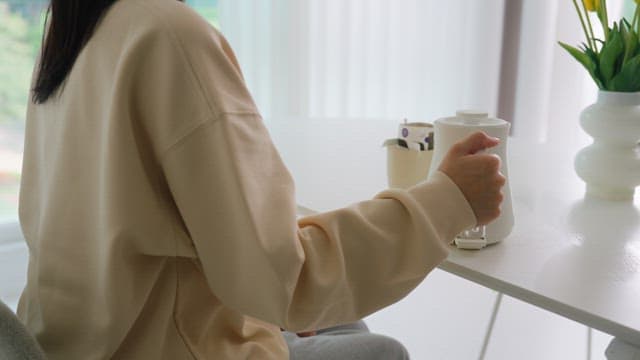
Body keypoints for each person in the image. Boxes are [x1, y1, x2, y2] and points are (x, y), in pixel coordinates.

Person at [17, 0, 505, 359]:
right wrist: (449, 200)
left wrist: (267, 299)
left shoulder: (69, 32)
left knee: (343, 318)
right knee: (382, 352)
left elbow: (147, 232)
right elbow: (286, 283)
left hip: (77, 339)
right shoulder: (168, 34)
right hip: (166, 346)